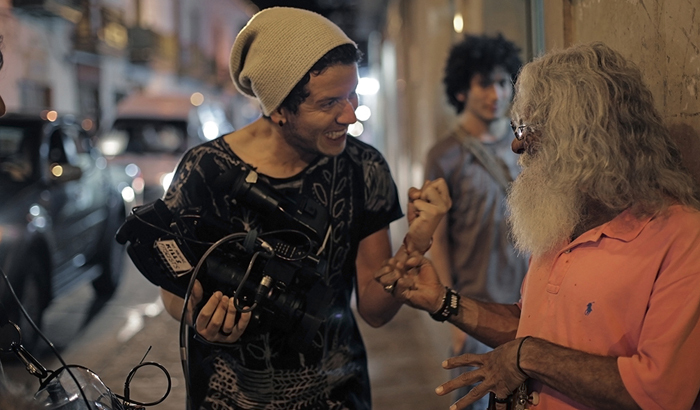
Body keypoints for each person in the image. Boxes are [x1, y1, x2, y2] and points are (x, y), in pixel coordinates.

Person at [376, 42, 700, 410]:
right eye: (518, 127)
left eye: (531, 128)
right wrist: (444, 301)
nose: (517, 145)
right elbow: (532, 326)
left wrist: (527, 356)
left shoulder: (682, 237)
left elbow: (660, 393)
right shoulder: (563, 221)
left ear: (586, 134)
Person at [153, 7, 447, 410]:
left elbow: (375, 311)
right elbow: (173, 290)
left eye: (352, 94)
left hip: (337, 397)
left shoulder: (364, 168)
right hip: (225, 398)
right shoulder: (204, 170)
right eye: (329, 103)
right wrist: (198, 316)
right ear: (279, 109)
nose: (350, 114)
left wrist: (414, 245)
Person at [425, 33, 527, 409]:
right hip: (476, 307)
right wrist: (452, 314)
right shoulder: (444, 156)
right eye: (485, 83)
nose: (496, 93)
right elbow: (438, 241)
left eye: (502, 82)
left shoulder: (524, 146)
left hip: (527, 305)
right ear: (462, 90)